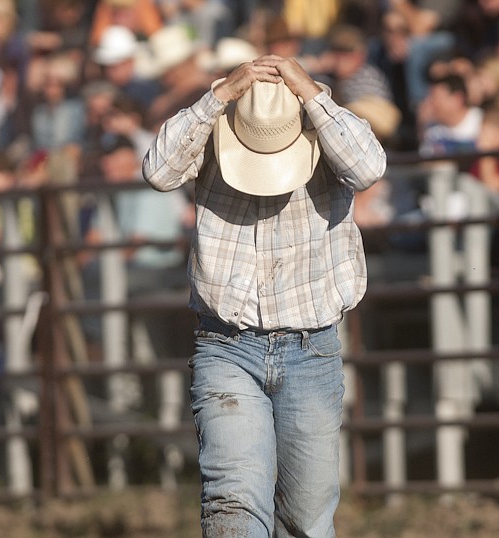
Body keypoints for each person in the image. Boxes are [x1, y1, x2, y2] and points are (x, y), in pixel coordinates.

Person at [142, 55, 386, 537]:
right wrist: (218, 97)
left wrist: (313, 94)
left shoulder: (328, 137)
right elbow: (158, 171)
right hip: (226, 344)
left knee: (307, 518)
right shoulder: (214, 130)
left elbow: (369, 167)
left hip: (309, 346)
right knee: (232, 499)